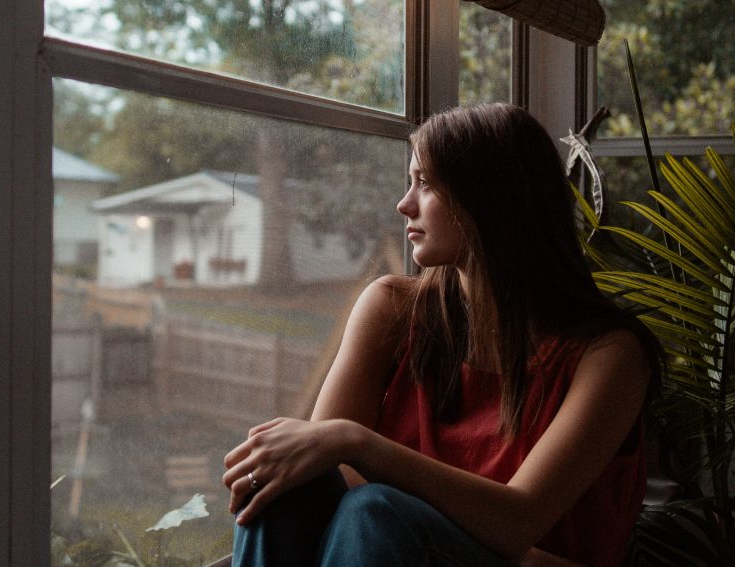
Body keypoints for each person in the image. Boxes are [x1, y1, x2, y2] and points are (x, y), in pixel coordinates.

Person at [222, 103, 661, 567]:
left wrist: (357, 442)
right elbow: (321, 469)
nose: (404, 203)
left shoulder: (609, 356)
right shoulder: (393, 309)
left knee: (375, 512)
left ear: (490, 198)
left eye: (425, 183)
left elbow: (518, 523)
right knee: (286, 484)